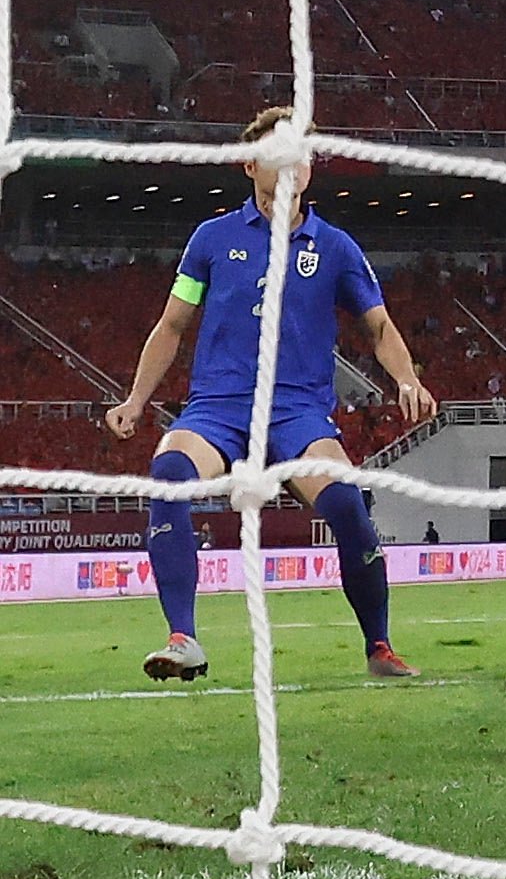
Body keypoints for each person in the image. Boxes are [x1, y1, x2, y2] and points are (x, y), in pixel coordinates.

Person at [102, 105, 434, 682]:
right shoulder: (210, 240)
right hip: (218, 407)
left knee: (348, 506)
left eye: (300, 154)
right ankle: (183, 638)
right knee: (168, 479)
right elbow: (173, 325)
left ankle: (379, 646)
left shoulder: (334, 247)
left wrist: (406, 379)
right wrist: (136, 399)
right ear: (250, 165)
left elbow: (377, 326)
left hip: (297, 411)